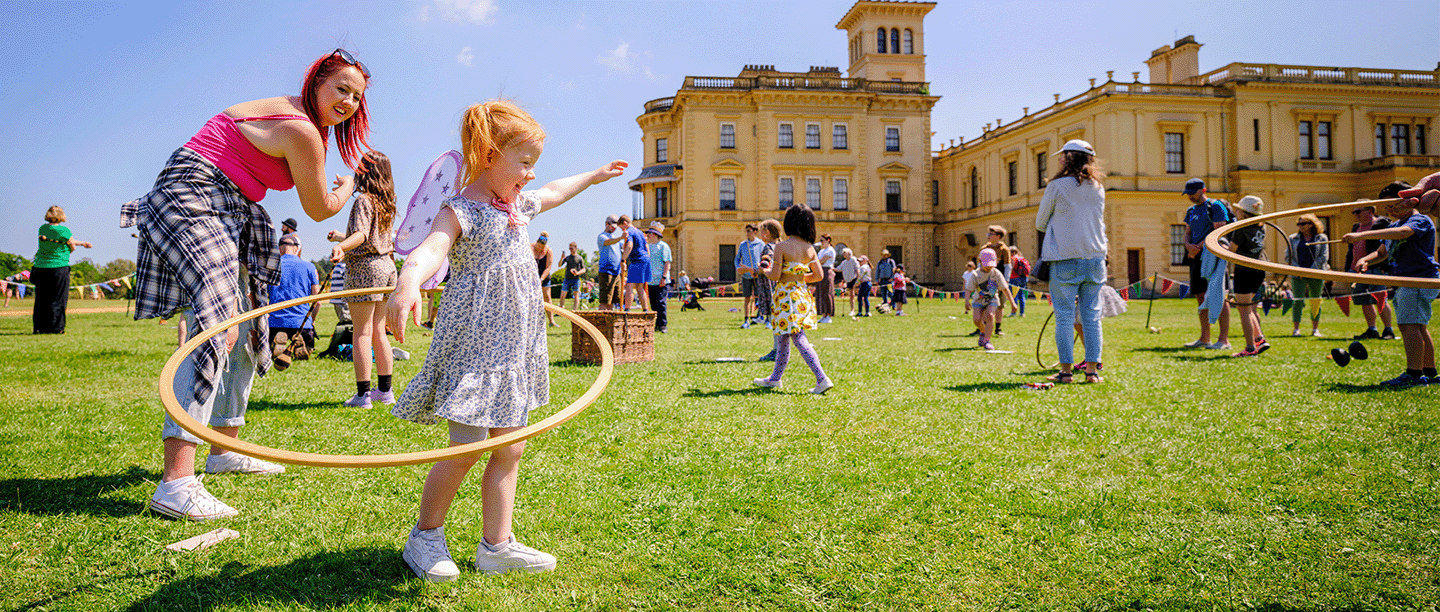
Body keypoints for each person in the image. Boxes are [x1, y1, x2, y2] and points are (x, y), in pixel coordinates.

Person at [126, 49, 372, 521]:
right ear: (316, 82)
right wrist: (348, 187)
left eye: (356, 97)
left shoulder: (305, 124)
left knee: (249, 328)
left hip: (230, 206)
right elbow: (321, 208)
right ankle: (176, 483)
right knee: (217, 325)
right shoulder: (302, 129)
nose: (348, 102)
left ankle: (223, 448)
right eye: (341, 88)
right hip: (195, 195)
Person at [385, 100, 626, 581]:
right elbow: (431, 249)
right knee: (464, 449)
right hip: (476, 347)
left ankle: (497, 544)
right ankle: (425, 537)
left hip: (515, 347)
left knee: (509, 448)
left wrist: (594, 176)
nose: (533, 175)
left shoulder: (518, 204)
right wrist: (408, 281)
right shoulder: (463, 209)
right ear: (488, 154)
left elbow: (558, 190)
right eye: (525, 163)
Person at [1344, 187, 1438, 387]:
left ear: (1411, 200)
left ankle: (1414, 374)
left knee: (1408, 325)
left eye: (1392, 204)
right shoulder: (1396, 225)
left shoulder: (1418, 220)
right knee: (1418, 325)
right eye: (1386, 206)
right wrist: (1365, 259)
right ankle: (1429, 372)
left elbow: (1404, 233)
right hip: (1408, 280)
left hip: (1418, 280)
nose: (1389, 209)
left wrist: (1362, 236)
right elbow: (1382, 252)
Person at [1035, 139, 1107, 384]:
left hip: (1065, 257)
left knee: (1065, 316)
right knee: (1091, 316)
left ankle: (1066, 372)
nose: (1058, 159)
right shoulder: (1098, 186)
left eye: (1061, 155)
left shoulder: (1057, 185)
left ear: (1068, 158)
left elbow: (1040, 222)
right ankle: (1092, 372)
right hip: (1096, 257)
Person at [330, 150, 398, 407]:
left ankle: (363, 395)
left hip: (365, 269)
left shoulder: (363, 201)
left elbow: (360, 235)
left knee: (361, 332)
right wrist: (340, 236)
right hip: (386, 267)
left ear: (365, 172)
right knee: (379, 331)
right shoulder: (387, 202)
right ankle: (385, 391)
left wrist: (342, 247)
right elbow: (372, 237)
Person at [752, 204, 833, 394]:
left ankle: (822, 378)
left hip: (785, 297)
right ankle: (775, 379)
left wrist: (763, 269)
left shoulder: (782, 246)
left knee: (797, 338)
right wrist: (799, 277)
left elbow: (775, 274)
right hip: (801, 295)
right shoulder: (810, 249)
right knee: (782, 338)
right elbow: (818, 275)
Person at [1180, 178, 1233, 349]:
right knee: (1200, 296)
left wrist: (1199, 246)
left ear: (1202, 190)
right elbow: (1187, 232)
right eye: (1187, 193)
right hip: (1195, 258)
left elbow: (1219, 230)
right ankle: (1205, 338)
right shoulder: (1191, 210)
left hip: (1214, 258)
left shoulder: (1216, 206)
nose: (1189, 196)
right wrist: (1189, 245)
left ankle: (1224, 340)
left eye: (1192, 192)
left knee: (1220, 296)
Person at [1348, 186, 1403, 341]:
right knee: (1364, 301)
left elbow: (1388, 247)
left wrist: (1385, 266)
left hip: (1377, 268)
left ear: (1370, 210)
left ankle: (1388, 330)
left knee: (1380, 299)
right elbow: (1351, 250)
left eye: (1358, 211)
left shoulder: (1381, 224)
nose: (1356, 215)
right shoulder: (1355, 227)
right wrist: (1349, 267)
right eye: (1354, 212)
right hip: (1358, 270)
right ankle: (1372, 329)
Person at [32, 206, 92, 334]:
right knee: (58, 299)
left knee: (41, 299)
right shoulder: (64, 230)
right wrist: (75, 247)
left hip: (41, 267)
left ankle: (39, 328)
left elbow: (67, 241)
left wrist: (82, 243)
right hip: (58, 267)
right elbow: (71, 245)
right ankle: (56, 328)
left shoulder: (43, 228)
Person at [1226, 196, 1270, 357]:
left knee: (1243, 309)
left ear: (1244, 213)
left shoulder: (1241, 228)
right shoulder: (1261, 227)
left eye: (1238, 209)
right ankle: (1260, 339)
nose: (1235, 211)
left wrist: (1220, 247)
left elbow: (1231, 252)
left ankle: (1250, 348)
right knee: (1249, 307)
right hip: (1259, 269)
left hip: (1244, 270)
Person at [269, 234, 320, 369]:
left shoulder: (271, 266)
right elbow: (317, 300)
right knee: (309, 346)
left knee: (276, 330)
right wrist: (312, 321)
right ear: (297, 249)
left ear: (279, 249)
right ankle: (300, 341)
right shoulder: (309, 266)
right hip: (302, 322)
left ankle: (280, 337)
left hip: (275, 322)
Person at [1286, 213, 1329, 337]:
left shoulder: (1322, 238)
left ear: (1311, 224)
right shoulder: (1293, 238)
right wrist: (1298, 270)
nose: (1300, 226)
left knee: (1315, 300)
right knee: (1297, 301)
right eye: (1298, 224)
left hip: (1316, 273)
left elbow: (1324, 256)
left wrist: (1311, 270)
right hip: (1297, 274)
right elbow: (1288, 256)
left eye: (1303, 223)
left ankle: (1315, 329)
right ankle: (1296, 329)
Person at [967, 248, 1015, 350]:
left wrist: (1013, 303)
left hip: (992, 300)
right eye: (986, 264)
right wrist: (967, 301)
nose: (989, 267)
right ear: (980, 262)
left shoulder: (996, 273)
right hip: (978, 300)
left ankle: (987, 341)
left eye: (991, 264)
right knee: (976, 320)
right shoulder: (975, 274)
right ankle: (983, 331)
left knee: (989, 316)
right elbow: (968, 289)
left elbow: (1005, 289)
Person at [755, 219, 782, 360]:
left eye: (761, 232)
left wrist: (758, 269)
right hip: (780, 286)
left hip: (769, 286)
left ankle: (777, 350)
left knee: (773, 319)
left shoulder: (767, 248)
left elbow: (767, 267)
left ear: (767, 233)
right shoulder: (780, 246)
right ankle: (779, 350)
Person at [617, 215, 649, 311]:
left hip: (637, 260)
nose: (622, 230)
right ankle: (645, 310)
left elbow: (630, 246)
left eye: (621, 227)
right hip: (645, 259)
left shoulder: (629, 232)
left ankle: (627, 310)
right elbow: (646, 247)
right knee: (639, 287)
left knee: (629, 285)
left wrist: (623, 259)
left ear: (625, 223)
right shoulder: (639, 231)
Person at [734, 223, 764, 327]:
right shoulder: (743, 244)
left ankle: (759, 317)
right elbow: (737, 259)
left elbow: (764, 259)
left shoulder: (761, 244)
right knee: (747, 298)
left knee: (760, 296)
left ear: (755, 232)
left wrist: (761, 269)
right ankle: (746, 320)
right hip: (746, 276)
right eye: (746, 231)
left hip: (757, 275)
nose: (747, 233)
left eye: (749, 231)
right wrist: (738, 268)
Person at [645, 222, 672, 333]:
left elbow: (667, 263)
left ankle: (663, 325)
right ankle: (656, 324)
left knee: (661, 303)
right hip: (651, 281)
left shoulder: (663, 246)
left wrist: (664, 277)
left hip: (661, 280)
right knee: (654, 304)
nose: (648, 235)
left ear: (655, 235)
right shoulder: (649, 247)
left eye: (650, 233)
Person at [596, 215, 623, 310]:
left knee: (612, 301)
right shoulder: (602, 236)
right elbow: (608, 242)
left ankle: (609, 322)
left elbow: (624, 246)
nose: (614, 229)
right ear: (607, 224)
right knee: (605, 301)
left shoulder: (615, 237)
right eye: (612, 226)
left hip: (617, 272)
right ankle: (601, 322)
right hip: (606, 272)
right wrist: (621, 238)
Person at [532, 231, 557, 326]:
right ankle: (534, 322)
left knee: (547, 297)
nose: (539, 249)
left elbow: (548, 267)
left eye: (541, 248)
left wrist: (541, 279)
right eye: (538, 247)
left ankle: (551, 321)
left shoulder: (548, 251)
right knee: (532, 298)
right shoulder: (530, 247)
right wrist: (534, 279)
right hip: (532, 278)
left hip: (544, 278)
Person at [815, 234, 837, 323]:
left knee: (828, 293)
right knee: (821, 293)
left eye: (822, 240)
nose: (821, 243)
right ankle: (823, 314)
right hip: (820, 271)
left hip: (827, 271)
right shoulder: (821, 251)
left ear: (828, 240)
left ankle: (829, 315)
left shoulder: (830, 250)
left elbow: (821, 261)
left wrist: (814, 263)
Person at [559, 241, 586, 312]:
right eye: (569, 248)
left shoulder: (579, 258)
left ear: (576, 248)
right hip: (567, 279)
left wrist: (577, 273)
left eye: (572, 248)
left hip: (576, 279)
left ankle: (574, 311)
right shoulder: (567, 258)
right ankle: (561, 311)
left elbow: (584, 269)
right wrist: (562, 258)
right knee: (562, 295)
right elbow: (559, 265)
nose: (570, 249)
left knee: (576, 295)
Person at [1008, 246, 1030, 317]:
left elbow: (1010, 268)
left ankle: (1013, 313)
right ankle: (1022, 313)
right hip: (1023, 278)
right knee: (1022, 295)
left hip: (1014, 278)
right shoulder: (1022, 258)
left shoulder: (1012, 259)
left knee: (1014, 296)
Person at [836, 247, 858, 316]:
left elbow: (857, 269)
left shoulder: (853, 260)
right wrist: (831, 269)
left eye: (844, 253)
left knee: (854, 295)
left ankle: (857, 310)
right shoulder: (844, 262)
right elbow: (839, 269)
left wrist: (858, 280)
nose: (843, 254)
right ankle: (852, 310)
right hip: (848, 281)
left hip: (854, 279)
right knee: (851, 295)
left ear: (848, 253)